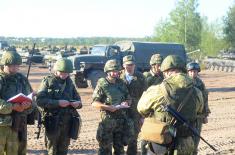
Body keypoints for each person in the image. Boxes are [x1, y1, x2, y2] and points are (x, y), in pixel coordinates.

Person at [137, 55, 204, 155]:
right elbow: (199, 110)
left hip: (161, 142)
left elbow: (141, 108)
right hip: (186, 144)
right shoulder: (197, 92)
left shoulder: (157, 90)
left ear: (167, 72)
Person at [36, 58, 82, 155]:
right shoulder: (47, 81)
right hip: (53, 122)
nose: (65, 74)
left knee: (63, 150)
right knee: (52, 150)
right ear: (56, 70)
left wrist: (77, 104)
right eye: (62, 72)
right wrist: (57, 103)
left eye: (67, 73)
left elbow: (78, 100)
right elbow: (40, 101)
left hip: (67, 122)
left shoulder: (69, 83)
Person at [92, 59, 134, 155]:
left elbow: (129, 98)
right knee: (105, 149)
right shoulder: (102, 83)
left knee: (120, 150)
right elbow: (94, 103)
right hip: (107, 122)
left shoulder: (121, 83)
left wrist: (126, 103)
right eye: (113, 71)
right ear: (107, 71)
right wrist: (108, 107)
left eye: (117, 71)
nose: (115, 73)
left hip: (121, 122)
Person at [0, 50, 35, 155]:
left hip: (19, 123)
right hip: (2, 125)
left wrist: (27, 105)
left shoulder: (22, 79)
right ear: (4, 64)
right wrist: (12, 106)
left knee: (19, 151)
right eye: (12, 65)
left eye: (17, 65)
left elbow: (31, 99)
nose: (15, 68)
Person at [119, 55, 146, 155]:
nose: (129, 67)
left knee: (133, 138)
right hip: (120, 112)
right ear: (123, 65)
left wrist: (143, 116)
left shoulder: (140, 77)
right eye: (127, 65)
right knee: (118, 137)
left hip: (136, 112)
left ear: (135, 65)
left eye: (131, 64)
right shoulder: (118, 77)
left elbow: (145, 96)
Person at [141, 53, 164, 155]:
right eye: (159, 65)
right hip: (148, 113)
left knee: (160, 137)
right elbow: (141, 97)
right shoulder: (145, 77)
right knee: (146, 139)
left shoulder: (164, 77)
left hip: (160, 113)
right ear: (153, 65)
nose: (160, 67)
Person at [187, 62, 210, 154]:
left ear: (198, 72)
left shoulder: (200, 83)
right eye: (191, 71)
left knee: (196, 137)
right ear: (188, 72)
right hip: (186, 115)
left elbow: (205, 99)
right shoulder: (184, 82)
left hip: (198, 116)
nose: (193, 73)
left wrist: (205, 115)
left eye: (195, 71)